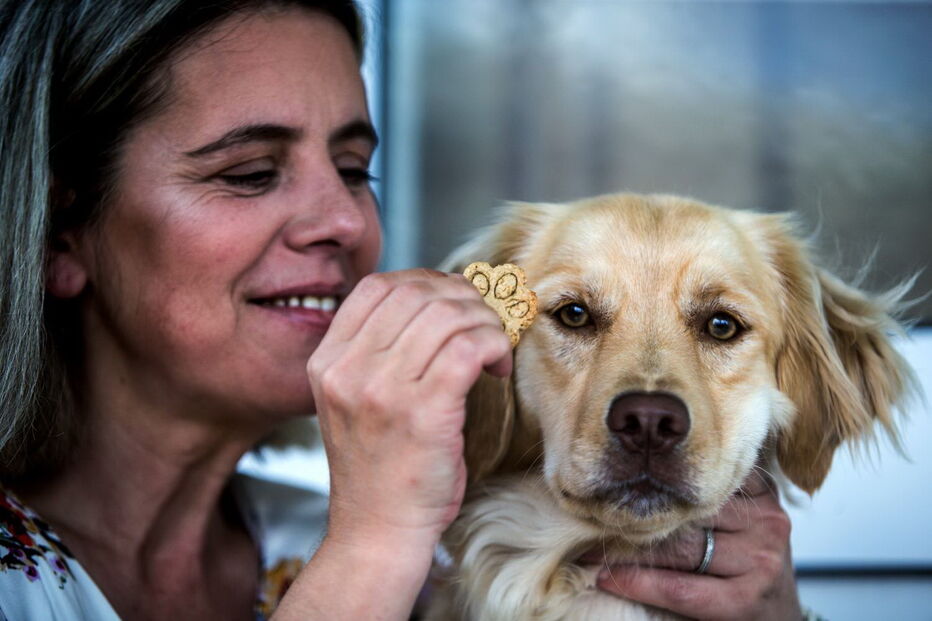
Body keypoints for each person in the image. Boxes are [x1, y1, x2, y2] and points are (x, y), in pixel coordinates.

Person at [0, 0, 802, 618]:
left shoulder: (410, 555)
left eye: (353, 168)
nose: (347, 223)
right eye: (248, 173)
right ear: (59, 234)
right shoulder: (380, 536)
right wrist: (372, 545)